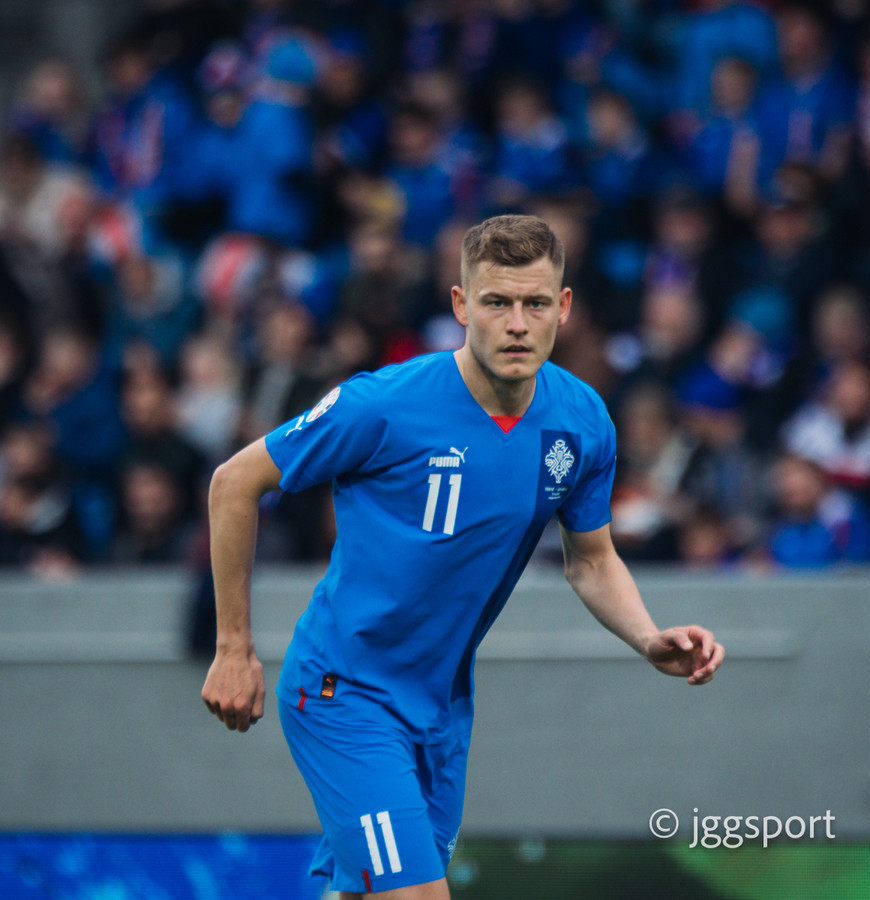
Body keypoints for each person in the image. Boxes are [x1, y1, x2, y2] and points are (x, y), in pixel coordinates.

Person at [201, 215, 725, 899]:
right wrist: (233, 647)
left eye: (536, 303)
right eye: (496, 302)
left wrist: (648, 637)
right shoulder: (382, 404)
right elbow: (233, 483)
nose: (517, 324)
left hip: (441, 711)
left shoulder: (582, 421)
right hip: (345, 693)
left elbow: (592, 560)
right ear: (460, 305)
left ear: (564, 307)